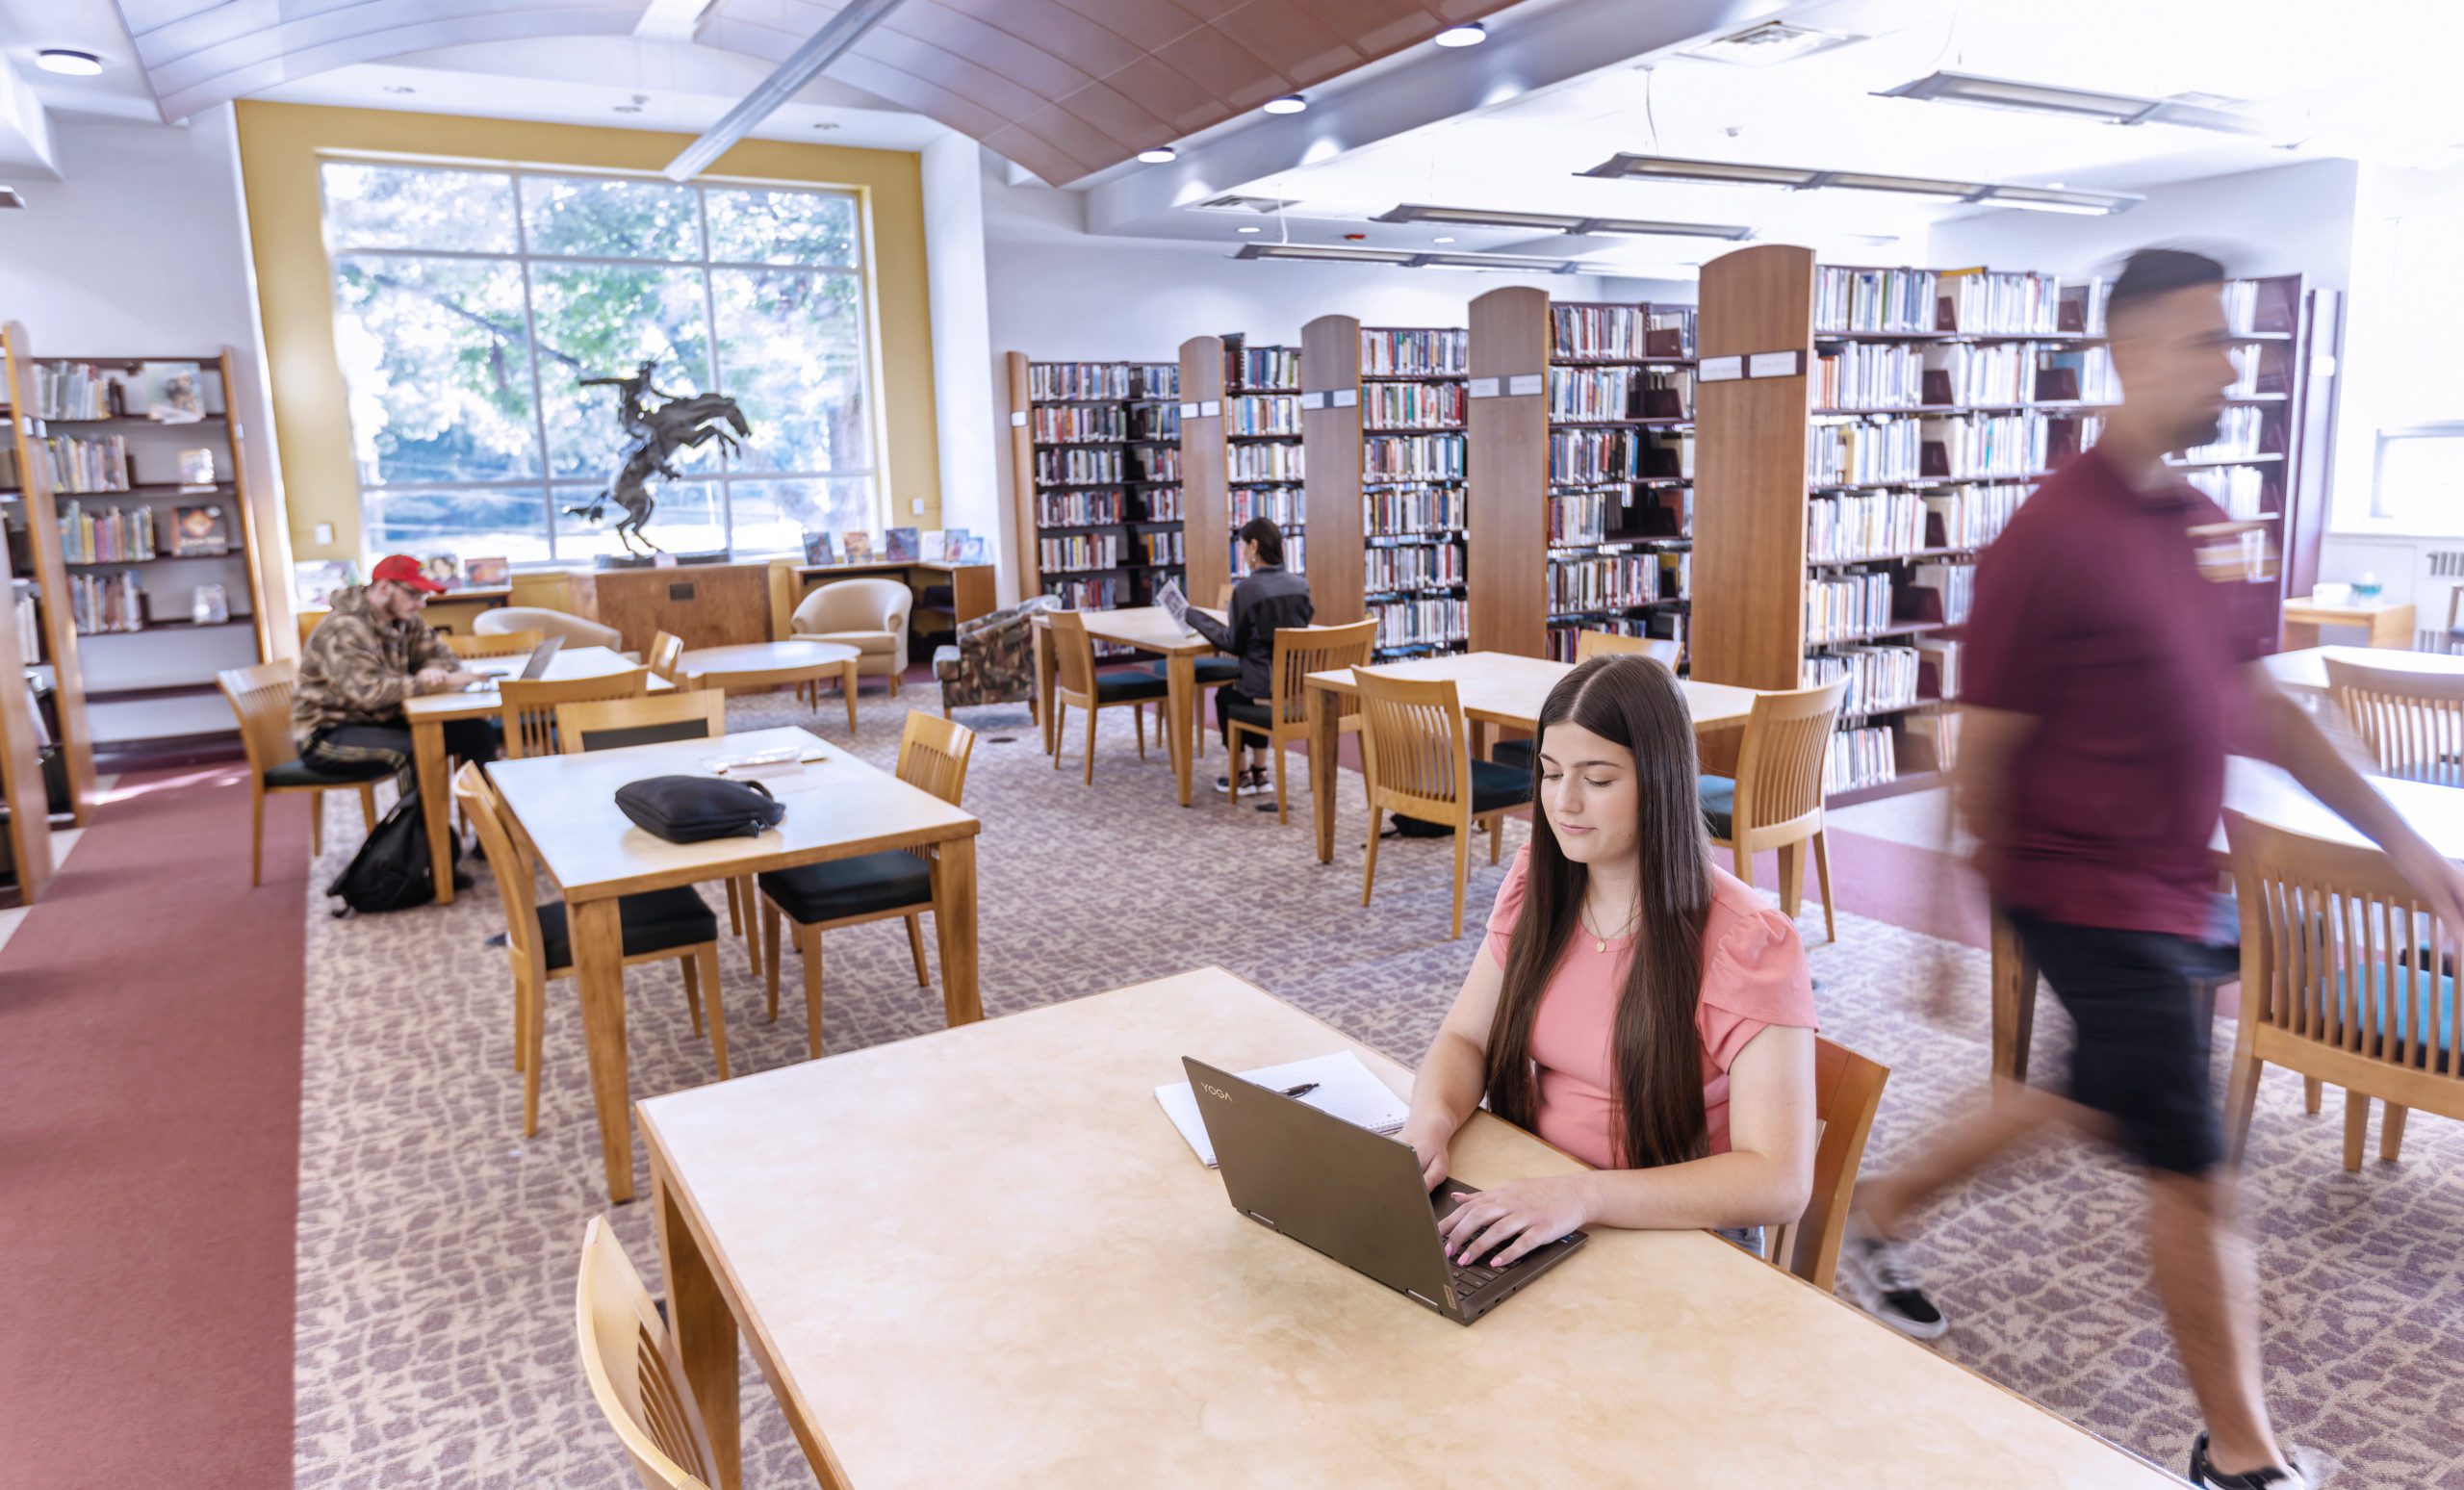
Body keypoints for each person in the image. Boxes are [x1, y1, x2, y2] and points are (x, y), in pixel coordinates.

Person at [1843, 248, 2464, 1490]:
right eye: (2200, 341)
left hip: (2169, 884)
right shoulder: (2045, 537)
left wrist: (2404, 845)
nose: (2228, 364)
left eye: (2228, 340)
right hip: (2078, 885)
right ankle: (2240, 1454)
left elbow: (2265, 712)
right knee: (2193, 1159)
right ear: (2127, 354)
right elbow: (1991, 745)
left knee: (2085, 1097)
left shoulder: (2207, 529)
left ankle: (1871, 1212)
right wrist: (1939, 924)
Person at [1397, 655, 1819, 1267]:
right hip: (1542, 1192)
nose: (1564, 803)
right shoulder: (1538, 885)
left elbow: (1778, 1182)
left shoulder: (1747, 943)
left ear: (1662, 781)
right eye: (1548, 773)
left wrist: (1582, 1195)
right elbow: (1466, 1037)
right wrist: (1431, 1120)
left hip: (1676, 1233)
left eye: (1596, 780)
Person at [292, 554, 495, 781]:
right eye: (413, 594)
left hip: (377, 720)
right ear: (385, 587)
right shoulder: (344, 629)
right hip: (328, 732)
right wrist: (439, 682)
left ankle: (483, 811)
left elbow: (445, 657)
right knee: (416, 751)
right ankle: (423, 819)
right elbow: (370, 693)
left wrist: (433, 669)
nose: (421, 603)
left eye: (423, 595)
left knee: (477, 733)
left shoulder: (406, 619)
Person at [1184, 517, 1312, 794]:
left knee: (1227, 697)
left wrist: (1195, 618)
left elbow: (1233, 644)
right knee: (1246, 690)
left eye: (1243, 545)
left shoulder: (1247, 590)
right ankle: (1260, 772)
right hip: (1294, 685)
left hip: (1261, 684)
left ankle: (1240, 774)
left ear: (1254, 546)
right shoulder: (1300, 585)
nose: (1241, 552)